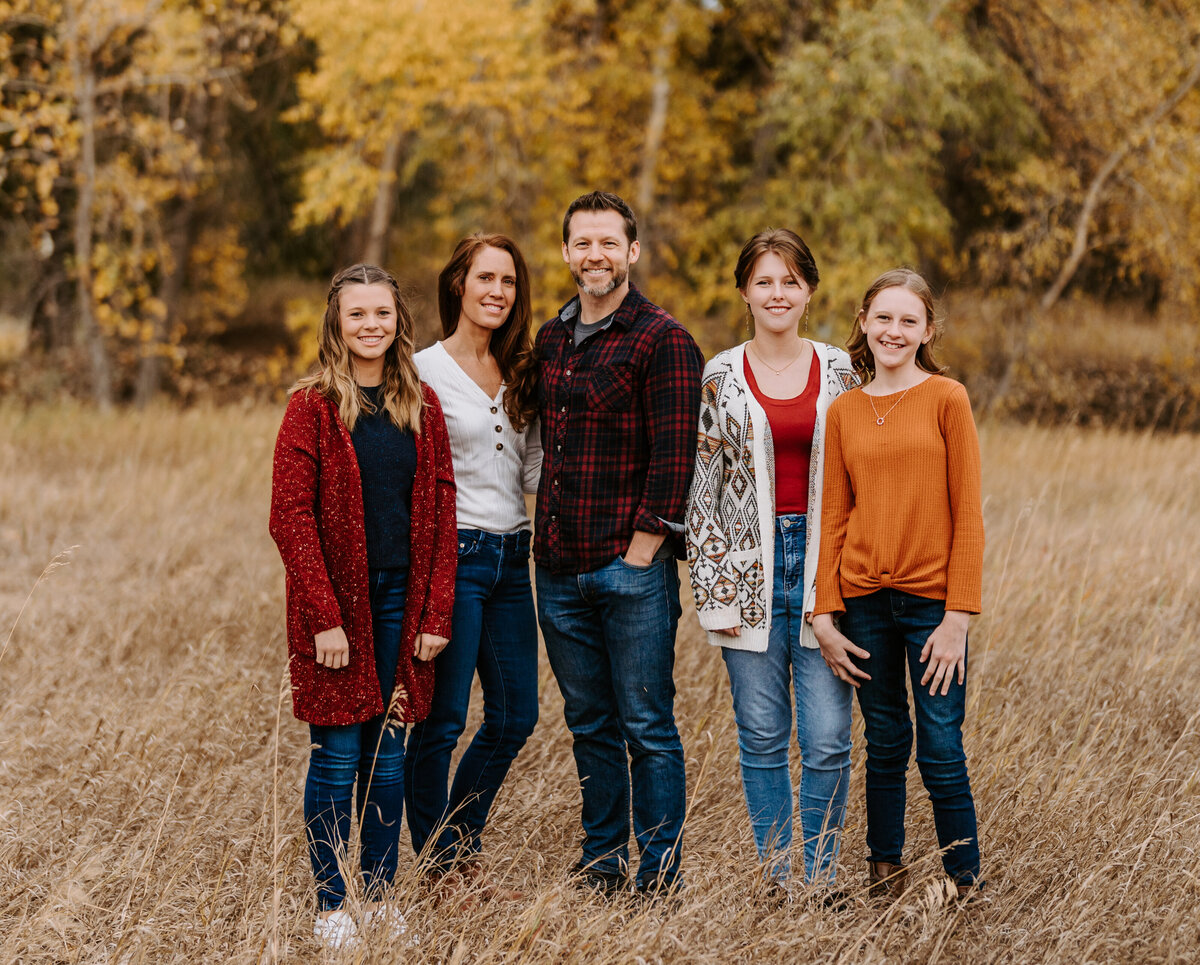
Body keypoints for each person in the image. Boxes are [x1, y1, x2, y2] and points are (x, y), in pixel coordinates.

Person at [268, 263, 457, 949]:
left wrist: (436, 614)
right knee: (338, 756)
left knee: (388, 756)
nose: (371, 325)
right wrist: (324, 617)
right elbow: (289, 517)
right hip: (338, 612)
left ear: (398, 321)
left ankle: (379, 897)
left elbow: (441, 513)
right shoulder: (312, 407)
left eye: (383, 313)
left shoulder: (422, 406)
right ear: (336, 323)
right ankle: (331, 904)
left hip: (402, 607)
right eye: (357, 314)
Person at [534, 190, 703, 897]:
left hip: (628, 571)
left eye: (610, 242)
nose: (595, 255)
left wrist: (642, 550)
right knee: (589, 723)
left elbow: (676, 455)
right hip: (558, 572)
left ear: (632, 251)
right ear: (567, 252)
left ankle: (658, 875)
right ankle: (601, 861)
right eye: (583, 243)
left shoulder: (662, 338)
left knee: (647, 725)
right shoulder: (550, 338)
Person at [686, 229, 858, 895]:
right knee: (761, 737)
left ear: (809, 289)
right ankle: (775, 876)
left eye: (790, 281)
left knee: (827, 738)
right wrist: (716, 592)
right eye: (764, 281)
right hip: (747, 571)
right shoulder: (721, 373)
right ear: (744, 292)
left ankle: (821, 877)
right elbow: (704, 488)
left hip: (822, 569)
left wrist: (843, 582)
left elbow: (858, 478)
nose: (777, 293)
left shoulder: (841, 369)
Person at [810, 267, 985, 901]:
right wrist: (824, 613)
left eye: (908, 320)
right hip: (863, 606)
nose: (894, 330)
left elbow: (968, 511)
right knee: (884, 740)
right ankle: (885, 869)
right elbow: (832, 516)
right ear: (863, 323)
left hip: (933, 607)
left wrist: (958, 617)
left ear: (927, 330)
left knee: (940, 746)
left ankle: (964, 879)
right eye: (883, 317)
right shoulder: (844, 411)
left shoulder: (948, 399)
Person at [405, 234, 541, 885]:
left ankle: (460, 840)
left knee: (517, 713)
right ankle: (440, 866)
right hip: (451, 558)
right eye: (485, 277)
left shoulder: (521, 371)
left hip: (515, 557)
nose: (497, 291)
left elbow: (536, 466)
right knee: (443, 720)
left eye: (508, 281)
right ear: (458, 282)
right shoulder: (421, 369)